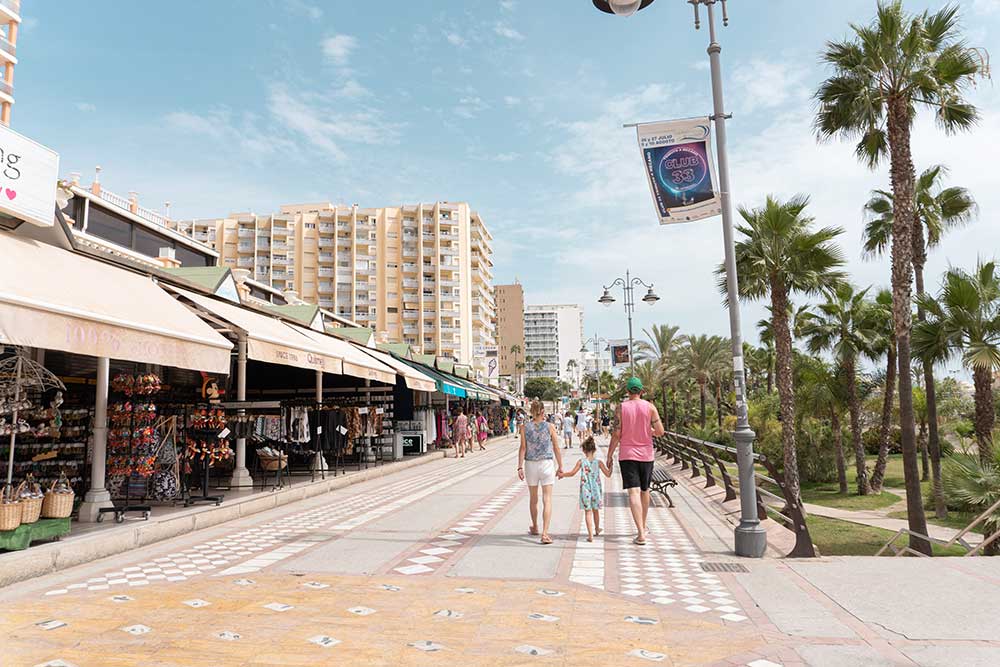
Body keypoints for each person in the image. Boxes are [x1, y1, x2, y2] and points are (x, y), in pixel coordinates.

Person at [606, 377, 665, 545]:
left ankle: (640, 532)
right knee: (645, 491)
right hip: (646, 455)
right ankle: (643, 526)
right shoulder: (650, 407)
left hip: (627, 454)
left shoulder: (621, 408)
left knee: (633, 492)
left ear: (627, 392)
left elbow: (617, 434)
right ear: (641, 391)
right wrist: (649, 431)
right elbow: (661, 431)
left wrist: (609, 454)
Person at [517, 400, 564, 545]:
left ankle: (535, 526)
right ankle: (544, 533)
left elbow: (523, 448)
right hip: (546, 464)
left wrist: (519, 466)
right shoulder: (550, 426)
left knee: (533, 499)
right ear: (543, 412)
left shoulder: (524, 428)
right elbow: (556, 447)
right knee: (547, 499)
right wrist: (561, 466)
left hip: (530, 464)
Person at [560, 436, 611, 542]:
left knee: (588, 512)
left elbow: (572, 473)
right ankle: (597, 529)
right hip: (596, 490)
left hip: (585, 490)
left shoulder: (581, 462)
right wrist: (611, 465)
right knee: (596, 511)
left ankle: (590, 535)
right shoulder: (599, 462)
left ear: (584, 450)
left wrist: (562, 474)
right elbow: (608, 474)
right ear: (595, 449)